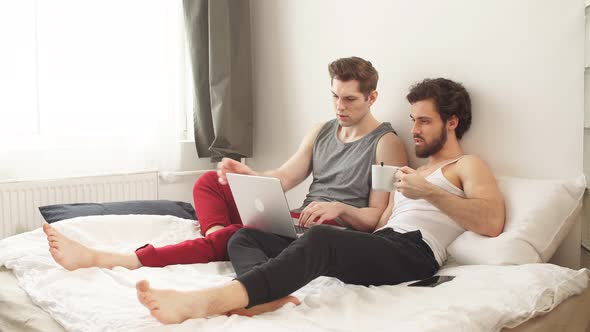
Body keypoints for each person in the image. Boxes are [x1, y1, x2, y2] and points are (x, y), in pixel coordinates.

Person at [134, 78, 506, 324]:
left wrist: (430, 193)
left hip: (415, 253)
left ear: (452, 122)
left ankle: (211, 300)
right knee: (244, 237)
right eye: (412, 120)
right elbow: (377, 224)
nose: (414, 130)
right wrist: (350, 209)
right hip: (383, 242)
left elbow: (491, 220)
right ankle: (265, 295)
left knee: (321, 240)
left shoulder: (467, 165)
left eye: (424, 121)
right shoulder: (411, 174)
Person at [42, 57, 407, 275]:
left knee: (234, 235)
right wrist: (249, 176)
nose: (339, 107)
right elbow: (284, 177)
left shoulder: (386, 144)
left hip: (330, 233)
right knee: (209, 182)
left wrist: (339, 207)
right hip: (296, 218)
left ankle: (124, 258)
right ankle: (215, 237)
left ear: (372, 97)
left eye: (349, 99)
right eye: (334, 96)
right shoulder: (321, 131)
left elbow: (379, 219)